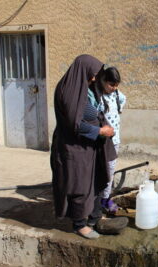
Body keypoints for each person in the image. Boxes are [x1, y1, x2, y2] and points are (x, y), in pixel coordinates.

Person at [50, 55, 126, 239]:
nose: (93, 78)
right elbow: (75, 124)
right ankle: (79, 225)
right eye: (92, 74)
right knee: (78, 184)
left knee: (91, 182)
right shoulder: (69, 91)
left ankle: (93, 217)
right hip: (73, 148)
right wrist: (100, 131)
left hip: (86, 146)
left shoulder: (83, 88)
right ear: (82, 71)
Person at [88, 65, 126, 215]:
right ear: (102, 81)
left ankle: (105, 199)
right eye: (111, 84)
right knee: (98, 171)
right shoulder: (95, 96)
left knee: (110, 171)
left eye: (116, 85)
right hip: (100, 141)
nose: (114, 88)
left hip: (114, 140)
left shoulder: (117, 95)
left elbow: (122, 102)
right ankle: (94, 200)